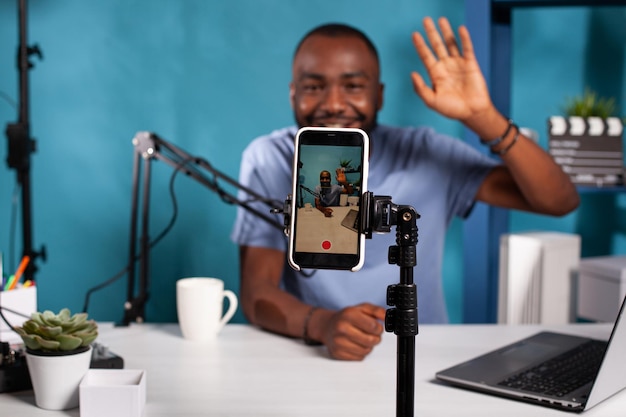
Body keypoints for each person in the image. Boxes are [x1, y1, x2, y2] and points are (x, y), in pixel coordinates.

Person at [230, 17, 579, 361]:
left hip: (423, 354)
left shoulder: (427, 151)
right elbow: (257, 293)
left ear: (379, 95)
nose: (333, 103)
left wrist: (484, 117)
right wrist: (324, 325)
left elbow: (559, 200)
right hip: (317, 354)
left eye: (353, 86)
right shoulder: (270, 158)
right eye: (314, 86)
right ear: (293, 93)